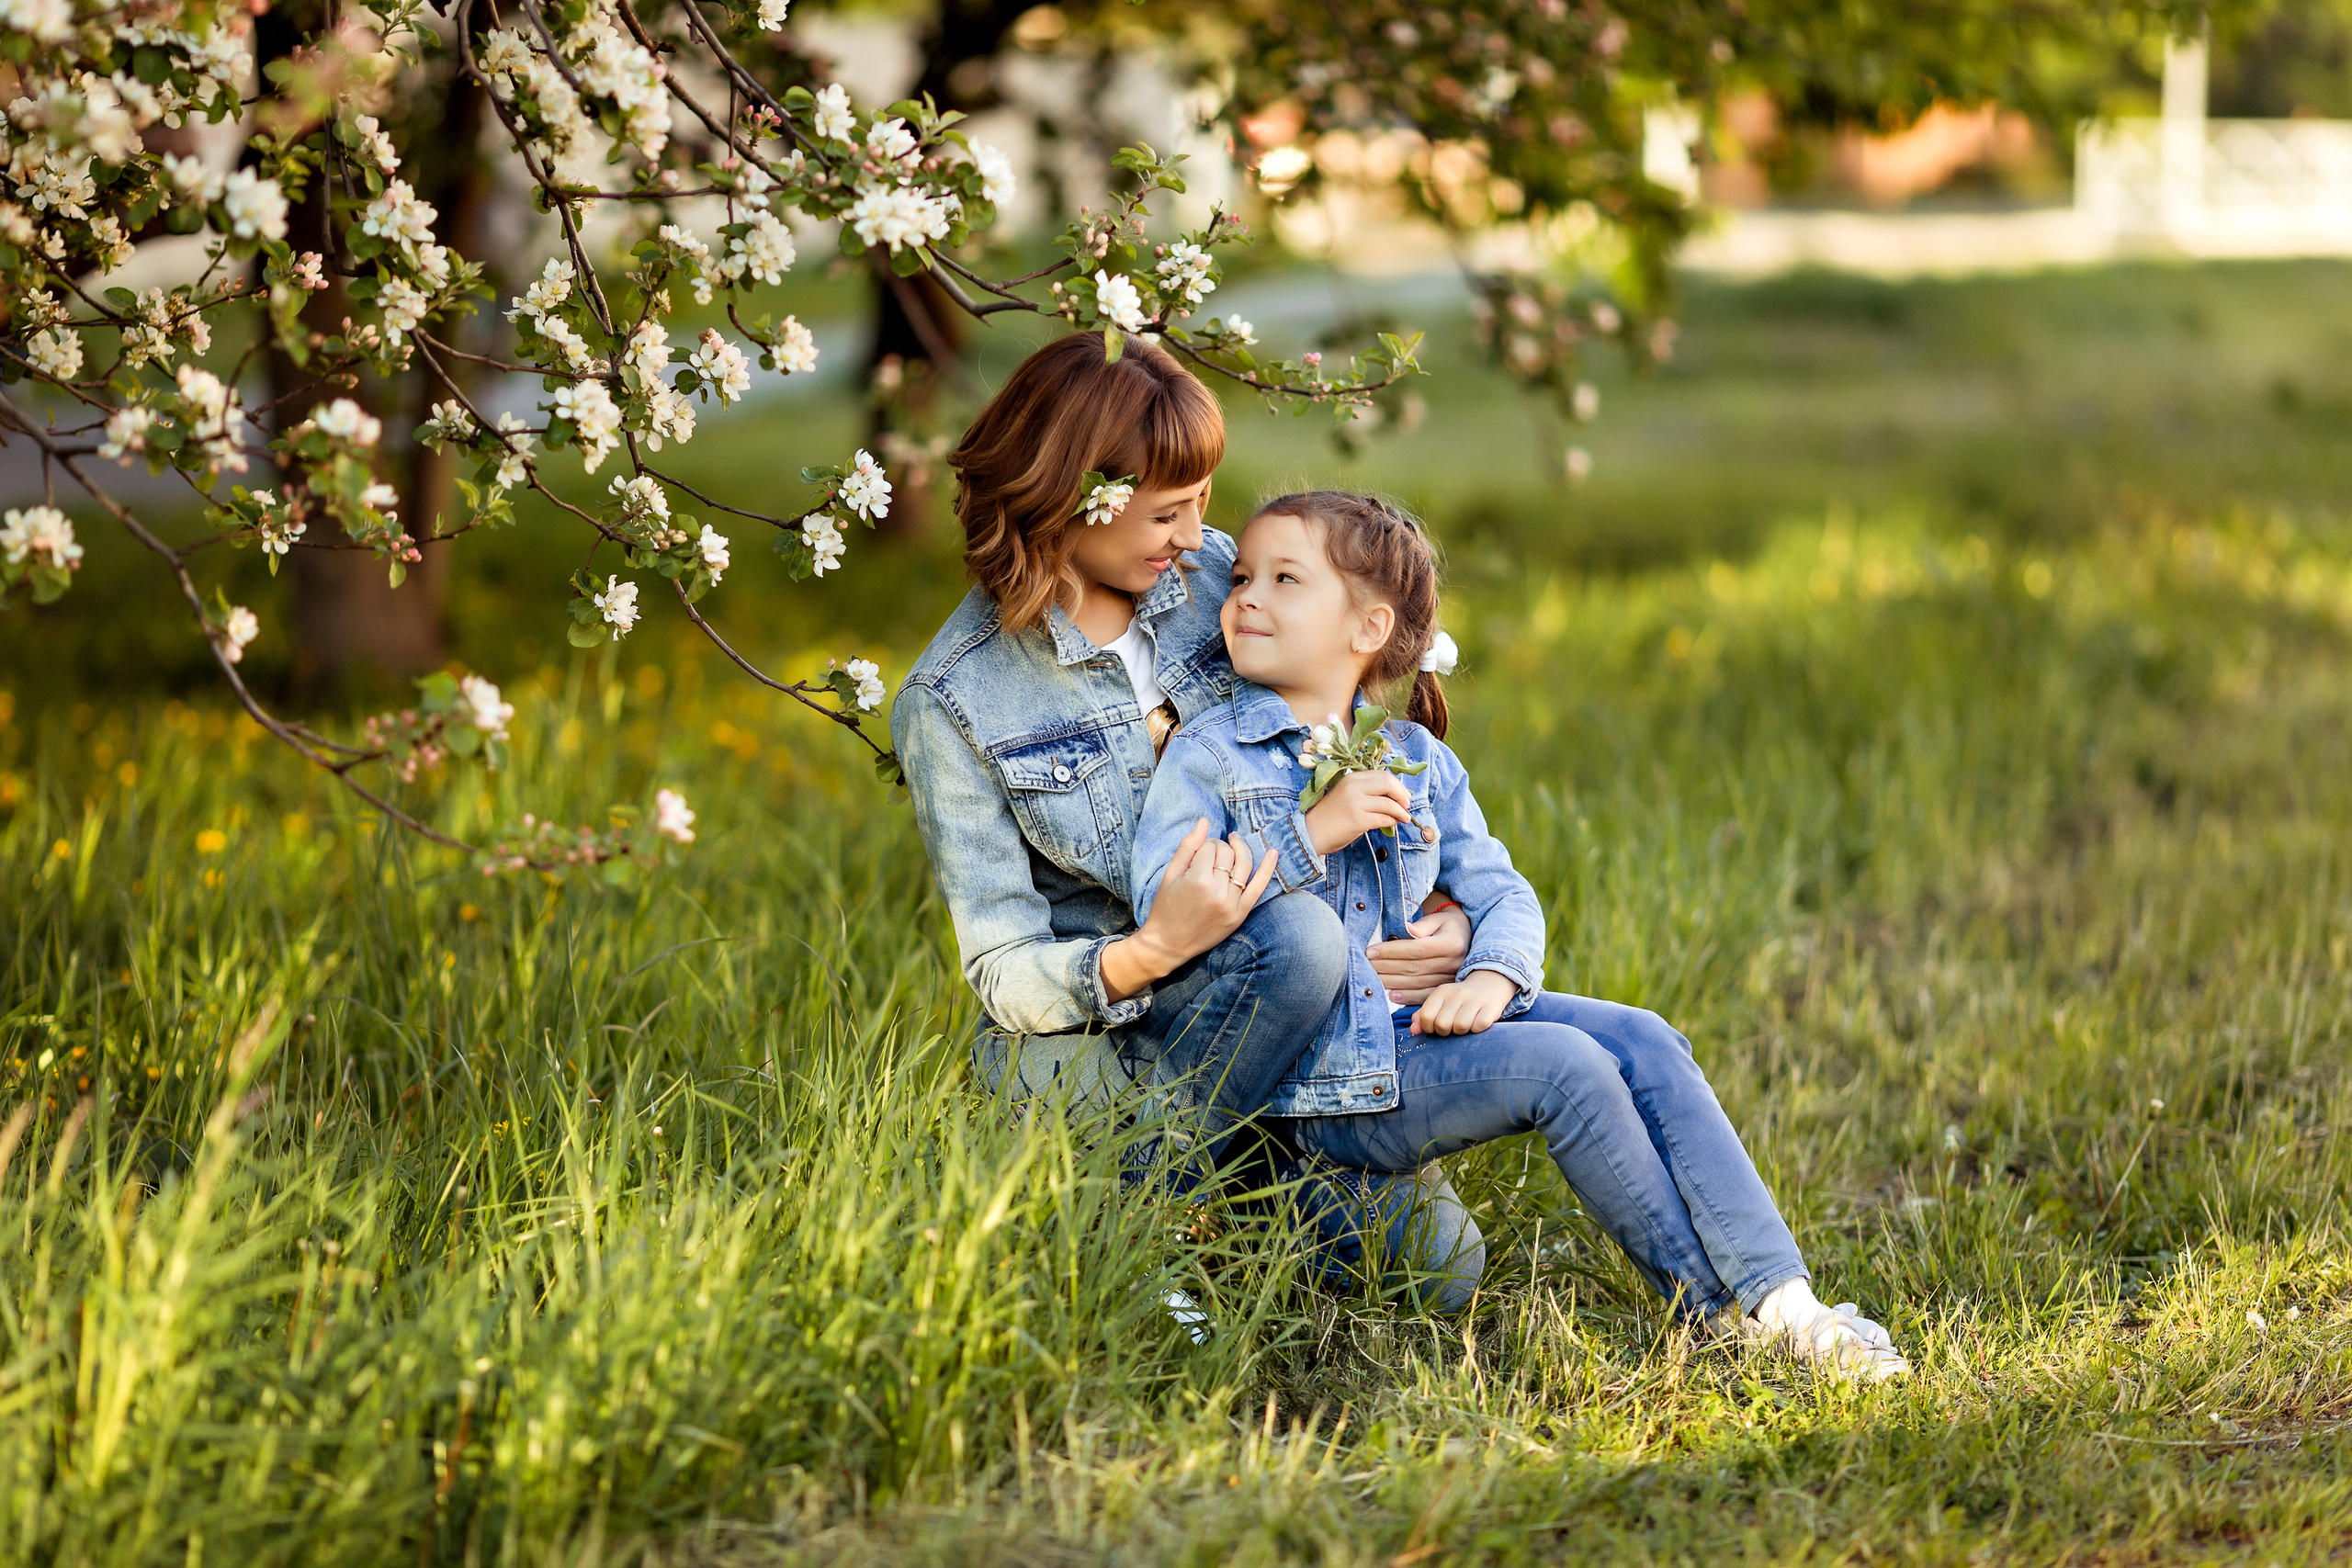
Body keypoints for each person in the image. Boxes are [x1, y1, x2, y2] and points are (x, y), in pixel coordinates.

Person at [1129, 490, 1912, 1377]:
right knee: (1565, 1068)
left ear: (1366, 627)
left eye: (1284, 578)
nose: (1246, 597)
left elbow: (1505, 894)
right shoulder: (1210, 755)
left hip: (1410, 1031)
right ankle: (1715, 1318)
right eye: (1240, 578)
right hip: (1326, 1076)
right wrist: (1314, 833)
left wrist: (1493, 978)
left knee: (1645, 1037)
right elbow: (1165, 894)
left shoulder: (1418, 759)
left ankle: (1786, 1302)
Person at [890, 333, 1486, 1309]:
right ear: (1068, 497)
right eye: (1168, 513)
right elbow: (1003, 970)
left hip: (1301, 1013)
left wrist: (1447, 914)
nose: (1196, 535)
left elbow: (1372, 742)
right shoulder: (956, 700)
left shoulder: (1221, 583)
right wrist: (1152, 949)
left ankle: (1189, 1188)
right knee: (1293, 938)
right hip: (1111, 1041)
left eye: (1202, 502)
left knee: (1439, 1273)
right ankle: (1143, 1239)